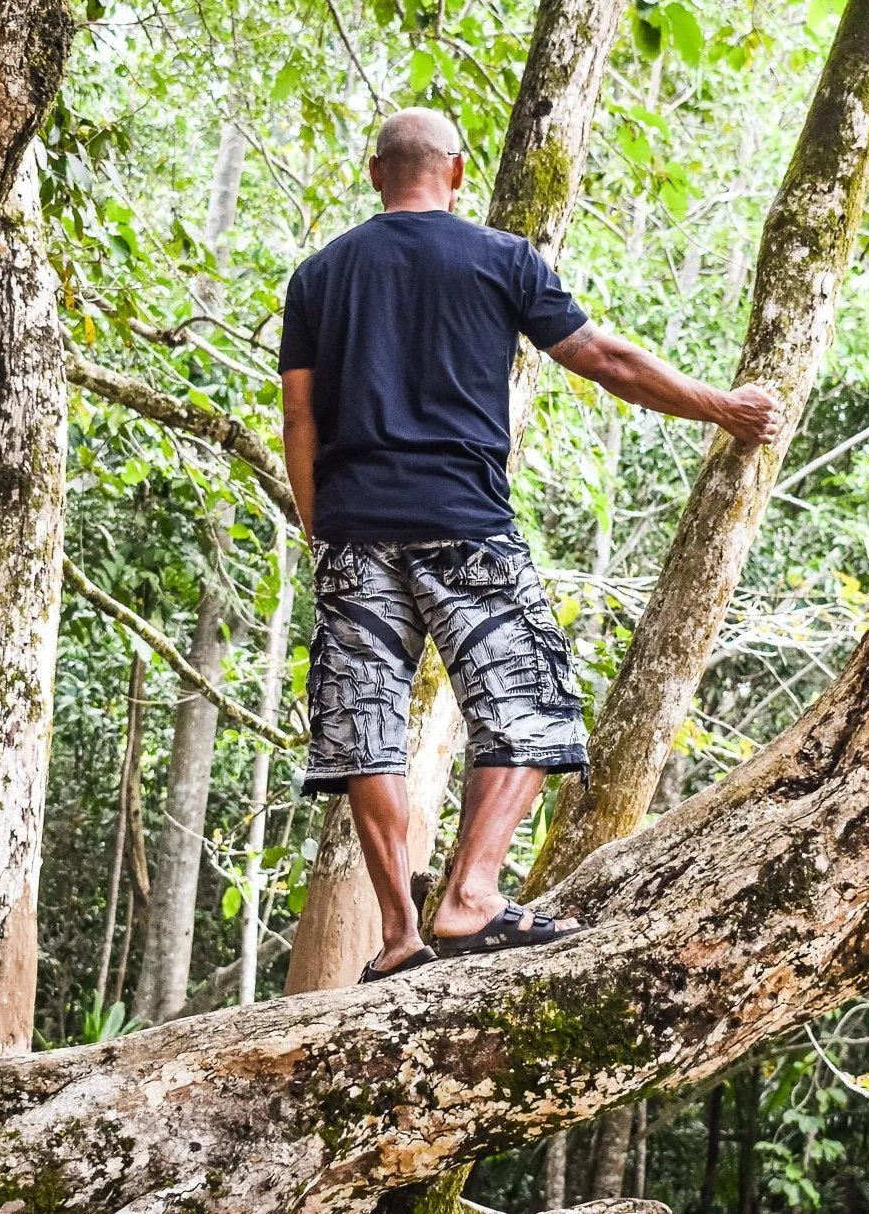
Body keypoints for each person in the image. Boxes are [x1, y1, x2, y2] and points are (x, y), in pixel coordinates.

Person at [278, 107, 782, 982]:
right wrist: (723, 408)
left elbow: (299, 414)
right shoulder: (500, 257)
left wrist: (325, 527)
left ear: (375, 175)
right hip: (464, 519)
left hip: (356, 528)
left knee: (366, 729)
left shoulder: (319, 275)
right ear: (459, 172)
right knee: (531, 702)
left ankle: (399, 931)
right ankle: (470, 898)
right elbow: (605, 359)